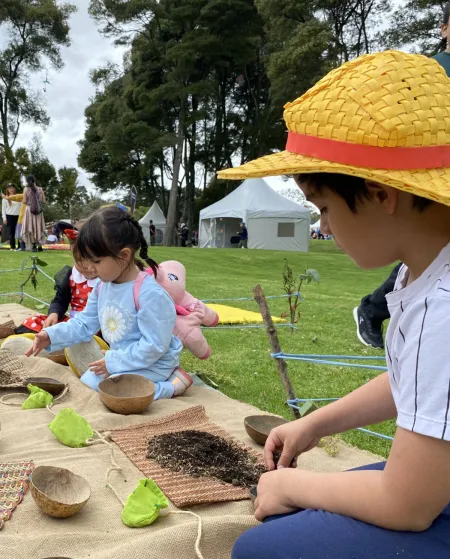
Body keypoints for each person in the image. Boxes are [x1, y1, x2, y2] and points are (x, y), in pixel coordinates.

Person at [218, 51, 450, 558]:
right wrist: (314, 423)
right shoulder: (425, 272)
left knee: (261, 550)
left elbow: (407, 503)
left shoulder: (445, 308)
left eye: (323, 208)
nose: (323, 226)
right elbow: (414, 381)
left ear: (377, 193)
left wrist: (291, 487)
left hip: (430, 497)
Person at [354, 2, 450, 349]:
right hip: (425, 176)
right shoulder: (430, 71)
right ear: (444, 29)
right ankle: (375, 309)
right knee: (426, 251)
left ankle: (377, 309)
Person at [25, 206, 192, 399]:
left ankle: (172, 386)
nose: (89, 268)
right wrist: (50, 335)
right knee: (89, 382)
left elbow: (154, 346)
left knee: (116, 393)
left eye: (96, 261)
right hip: (120, 360)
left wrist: (113, 361)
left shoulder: (150, 295)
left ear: (124, 255)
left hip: (154, 363)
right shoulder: (102, 287)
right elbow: (84, 323)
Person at [15, 230, 97, 334]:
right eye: (79, 260)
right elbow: (60, 301)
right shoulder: (71, 276)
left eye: (93, 261)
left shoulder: (105, 281)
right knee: (32, 322)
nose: (86, 266)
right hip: (73, 323)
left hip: (95, 327)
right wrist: (54, 313)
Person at [21, 175, 45, 252]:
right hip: (38, 211)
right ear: (34, 180)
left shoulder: (26, 189)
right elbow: (44, 201)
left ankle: (33, 246)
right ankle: (40, 245)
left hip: (29, 210)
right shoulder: (40, 189)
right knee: (38, 227)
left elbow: (24, 201)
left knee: (31, 227)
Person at [1, 184, 21, 250]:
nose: (11, 189)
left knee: (19, 232)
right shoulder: (5, 199)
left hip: (18, 216)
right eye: (9, 188)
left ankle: (20, 246)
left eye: (12, 188)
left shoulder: (18, 197)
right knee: (11, 232)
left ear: (15, 189)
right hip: (9, 216)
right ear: (7, 190)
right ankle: (12, 247)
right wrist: (4, 218)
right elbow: (3, 209)